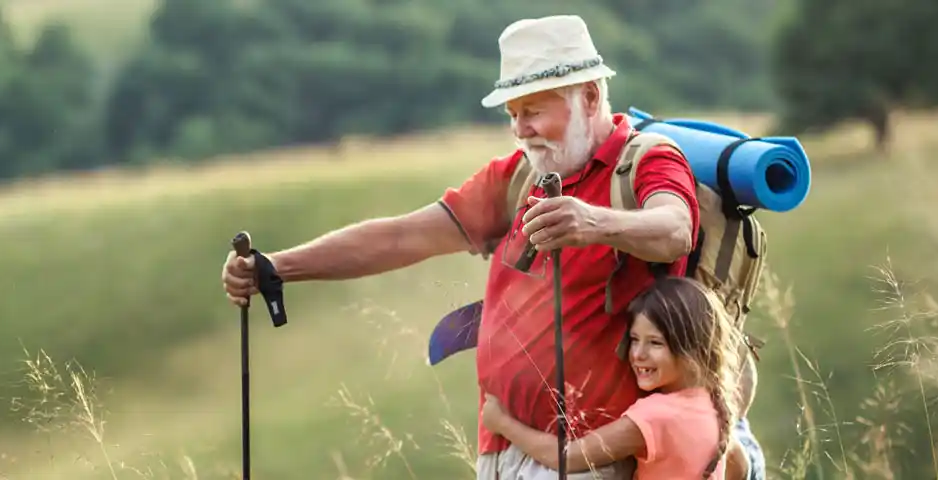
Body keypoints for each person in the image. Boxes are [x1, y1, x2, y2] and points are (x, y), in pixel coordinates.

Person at [219, 14, 765, 479]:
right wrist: (279, 267)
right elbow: (405, 235)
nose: (521, 130)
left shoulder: (647, 161)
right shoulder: (518, 178)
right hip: (505, 451)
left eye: (533, 110)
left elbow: (674, 229)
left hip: (591, 457)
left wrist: (593, 222)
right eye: (512, 115)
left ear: (591, 96)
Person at [478, 276, 746, 479]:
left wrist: (502, 423)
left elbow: (567, 457)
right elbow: (740, 466)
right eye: (633, 340)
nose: (637, 354)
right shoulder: (713, 406)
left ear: (691, 349)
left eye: (655, 343)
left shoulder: (656, 416)